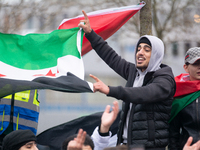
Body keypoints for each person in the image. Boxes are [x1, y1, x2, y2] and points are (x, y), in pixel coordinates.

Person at [78, 10, 176, 149]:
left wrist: (109, 90)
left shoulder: (165, 80)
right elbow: (110, 56)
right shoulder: (133, 72)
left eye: (147, 49)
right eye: (139, 49)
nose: (140, 52)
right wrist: (90, 33)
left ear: (156, 54)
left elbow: (143, 93)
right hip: (125, 145)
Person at [169, 47, 200, 150]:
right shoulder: (178, 93)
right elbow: (173, 133)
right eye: (195, 64)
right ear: (186, 67)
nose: (199, 67)